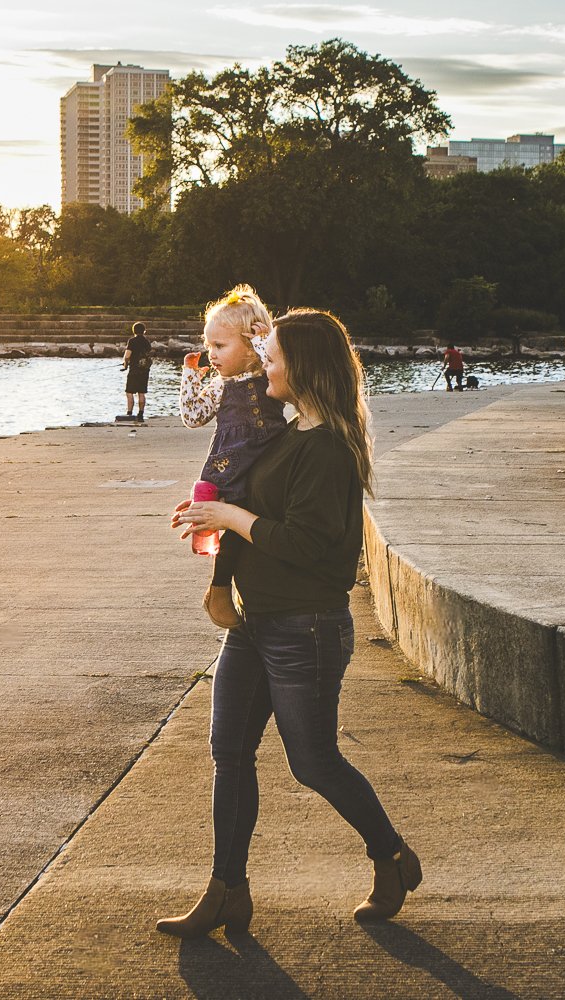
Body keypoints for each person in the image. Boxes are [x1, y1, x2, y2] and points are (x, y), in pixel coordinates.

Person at [160, 308, 420, 939]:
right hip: (255, 623)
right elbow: (254, 513)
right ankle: (228, 891)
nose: (262, 360)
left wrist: (228, 516)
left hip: (306, 627)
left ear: (302, 366)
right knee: (229, 751)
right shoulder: (283, 433)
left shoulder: (326, 448)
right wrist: (218, 558)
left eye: (271, 354)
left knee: (313, 761)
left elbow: (305, 544)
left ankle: (391, 856)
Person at [180, 284, 289, 630]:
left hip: (270, 454)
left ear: (251, 346)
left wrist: (265, 339)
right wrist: (191, 377)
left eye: (220, 345)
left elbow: (275, 359)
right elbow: (193, 417)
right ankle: (219, 588)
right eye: (209, 345)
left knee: (258, 522)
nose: (211, 354)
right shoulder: (220, 383)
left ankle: (247, 588)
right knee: (230, 524)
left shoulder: (265, 372)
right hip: (232, 461)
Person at [121, 322, 152, 419]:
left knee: (129, 392)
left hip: (134, 370)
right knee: (141, 393)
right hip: (144, 370)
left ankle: (129, 413)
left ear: (134, 331)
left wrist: (125, 365)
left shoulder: (132, 341)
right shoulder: (147, 342)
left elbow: (127, 356)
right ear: (144, 331)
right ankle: (141, 414)